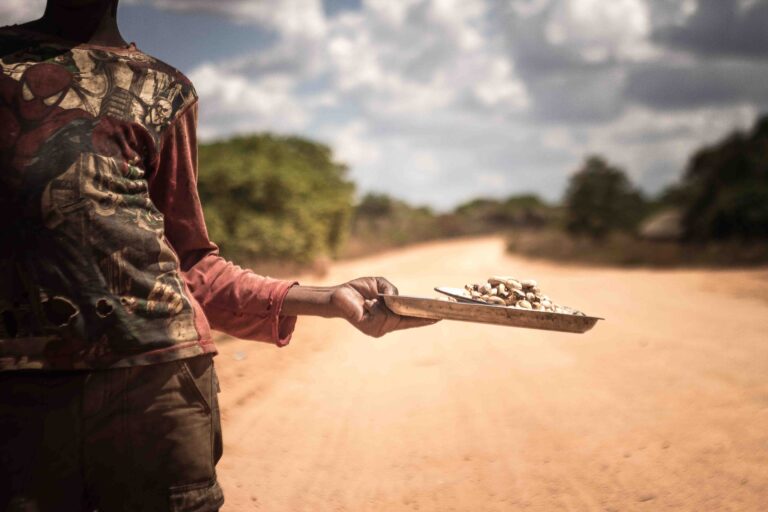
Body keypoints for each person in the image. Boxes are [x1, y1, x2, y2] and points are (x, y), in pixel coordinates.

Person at [0, 0, 436, 509]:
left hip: (160, 389)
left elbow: (191, 264)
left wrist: (327, 298)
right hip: (21, 396)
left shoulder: (166, 90)